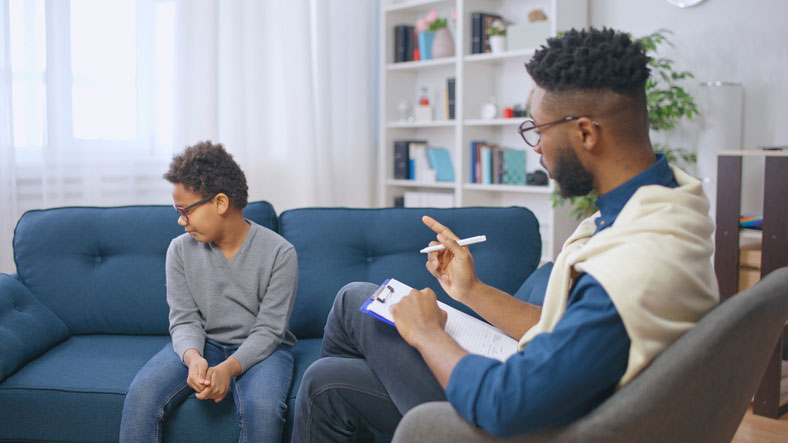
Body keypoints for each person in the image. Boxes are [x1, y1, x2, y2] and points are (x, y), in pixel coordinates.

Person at [291, 27, 719, 442]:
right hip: (546, 389)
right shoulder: (662, 205)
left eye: (538, 130)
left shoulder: (631, 268)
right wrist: (472, 290)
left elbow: (504, 404)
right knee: (325, 381)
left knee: (355, 301)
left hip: (516, 419)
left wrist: (427, 333)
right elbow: (569, 326)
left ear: (586, 132)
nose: (535, 149)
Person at [120, 141, 298, 443]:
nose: (180, 220)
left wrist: (227, 369)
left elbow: (269, 330)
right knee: (142, 395)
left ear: (220, 203)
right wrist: (193, 359)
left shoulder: (281, 253)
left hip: (266, 350)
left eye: (184, 210)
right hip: (205, 343)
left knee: (263, 408)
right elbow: (184, 319)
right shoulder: (179, 250)